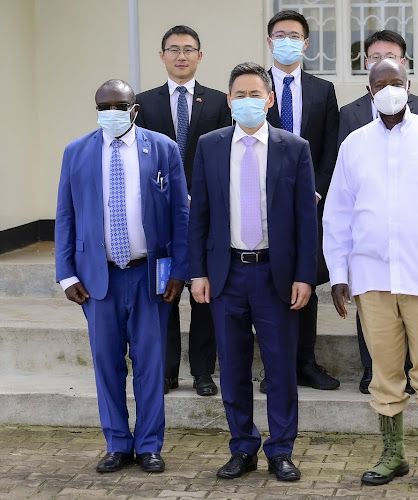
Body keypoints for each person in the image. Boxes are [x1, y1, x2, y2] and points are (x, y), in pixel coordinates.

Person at [324, 59, 418, 490]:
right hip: (372, 277)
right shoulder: (354, 144)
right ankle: (392, 453)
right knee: (384, 371)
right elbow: (337, 214)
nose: (390, 89)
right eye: (381, 84)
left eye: (397, 82)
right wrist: (339, 273)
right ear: (369, 91)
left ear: (409, 86)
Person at [188, 62, 317, 482]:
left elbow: (304, 219)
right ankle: (242, 447)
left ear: (270, 99)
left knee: (280, 368)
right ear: (228, 101)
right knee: (234, 367)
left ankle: (281, 450)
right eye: (239, 95)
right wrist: (198, 272)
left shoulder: (293, 147)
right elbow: (200, 214)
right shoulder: (209, 145)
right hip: (226, 274)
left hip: (274, 276)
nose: (247, 102)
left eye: (254, 94)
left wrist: (305, 275)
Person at [55, 79, 189, 473]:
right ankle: (117, 442)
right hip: (98, 279)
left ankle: (149, 445)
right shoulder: (76, 152)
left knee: (150, 364)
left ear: (134, 109)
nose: (111, 112)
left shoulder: (162, 148)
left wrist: (179, 271)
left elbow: (180, 215)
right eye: (104, 106)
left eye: (120, 105)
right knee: (106, 363)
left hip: (149, 276)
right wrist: (66, 274)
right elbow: (65, 215)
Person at [337, 29, 418, 395]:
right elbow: (343, 183)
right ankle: (371, 370)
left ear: (406, 67)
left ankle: (410, 371)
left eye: (390, 56)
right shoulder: (348, 115)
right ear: (367, 69)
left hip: (413, 233)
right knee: (373, 306)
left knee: (409, 307)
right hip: (369, 232)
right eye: (375, 56)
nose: (382, 62)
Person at [135, 25, 231, 397]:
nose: (181, 55)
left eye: (189, 49)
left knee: (203, 294)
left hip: (206, 215)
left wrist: (200, 195)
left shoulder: (220, 102)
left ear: (200, 56)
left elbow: (222, 157)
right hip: (162, 217)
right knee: (166, 291)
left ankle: (203, 372)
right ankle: (167, 370)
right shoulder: (144, 103)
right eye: (173, 49)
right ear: (162, 56)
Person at [263, 9, 340, 392]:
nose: (288, 41)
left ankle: (306, 363)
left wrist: (316, 189)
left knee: (304, 280)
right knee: (269, 282)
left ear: (306, 43)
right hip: (263, 206)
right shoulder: (254, 89)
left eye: (295, 35)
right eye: (281, 34)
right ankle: (276, 367)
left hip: (311, 204)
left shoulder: (323, 90)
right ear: (269, 41)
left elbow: (330, 147)